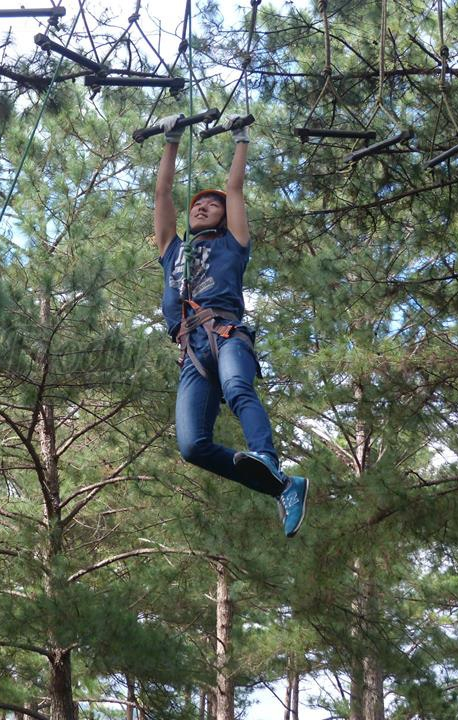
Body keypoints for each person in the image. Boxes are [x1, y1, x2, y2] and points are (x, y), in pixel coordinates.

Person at [154, 113, 309, 537]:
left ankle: (266, 456)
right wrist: (171, 140)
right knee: (192, 446)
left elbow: (235, 188)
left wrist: (241, 140)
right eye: (197, 204)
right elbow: (163, 192)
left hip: (225, 335)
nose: (202, 206)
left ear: (224, 217)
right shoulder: (172, 250)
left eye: (212, 204)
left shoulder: (233, 244)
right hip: (191, 353)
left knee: (238, 387)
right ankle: (282, 487)